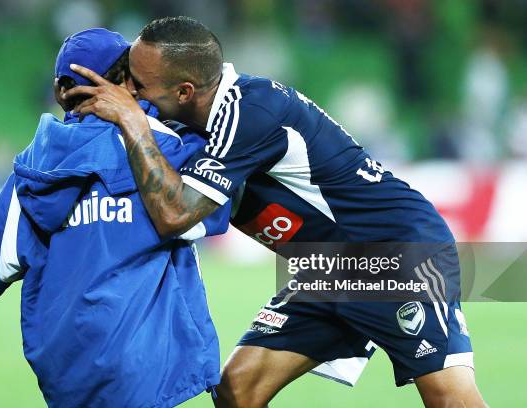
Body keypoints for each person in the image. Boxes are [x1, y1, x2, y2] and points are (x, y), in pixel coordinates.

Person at [63, 17, 487, 408]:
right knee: (237, 390)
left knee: (450, 399)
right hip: (328, 268)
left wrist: (129, 119)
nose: (130, 93)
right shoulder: (192, 112)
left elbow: (174, 215)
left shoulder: (249, 113)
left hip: (392, 255)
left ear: (184, 90)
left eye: (137, 83)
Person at [0, 28, 230, 408]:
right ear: (130, 81)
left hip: (66, 369)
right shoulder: (169, 147)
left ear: (60, 92)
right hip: (146, 365)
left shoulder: (30, 172)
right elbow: (211, 212)